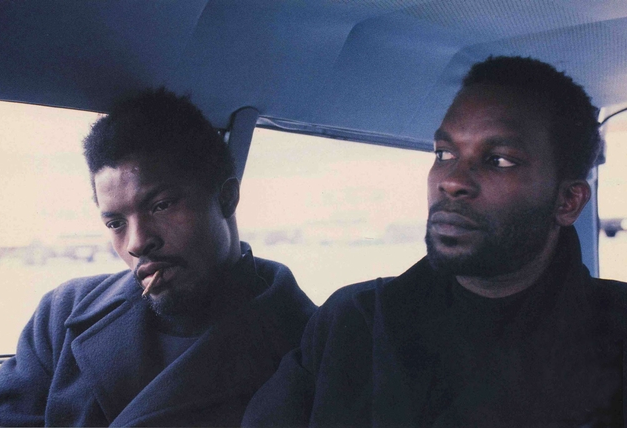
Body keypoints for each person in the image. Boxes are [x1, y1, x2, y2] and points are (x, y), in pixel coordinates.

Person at [242, 56, 627, 427]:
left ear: (567, 201)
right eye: (444, 153)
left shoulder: (617, 337)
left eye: (499, 160)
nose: (452, 180)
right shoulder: (352, 323)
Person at [0, 88, 316, 426]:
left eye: (161, 206)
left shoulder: (309, 345)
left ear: (227, 198)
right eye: (115, 223)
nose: (137, 243)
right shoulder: (61, 314)